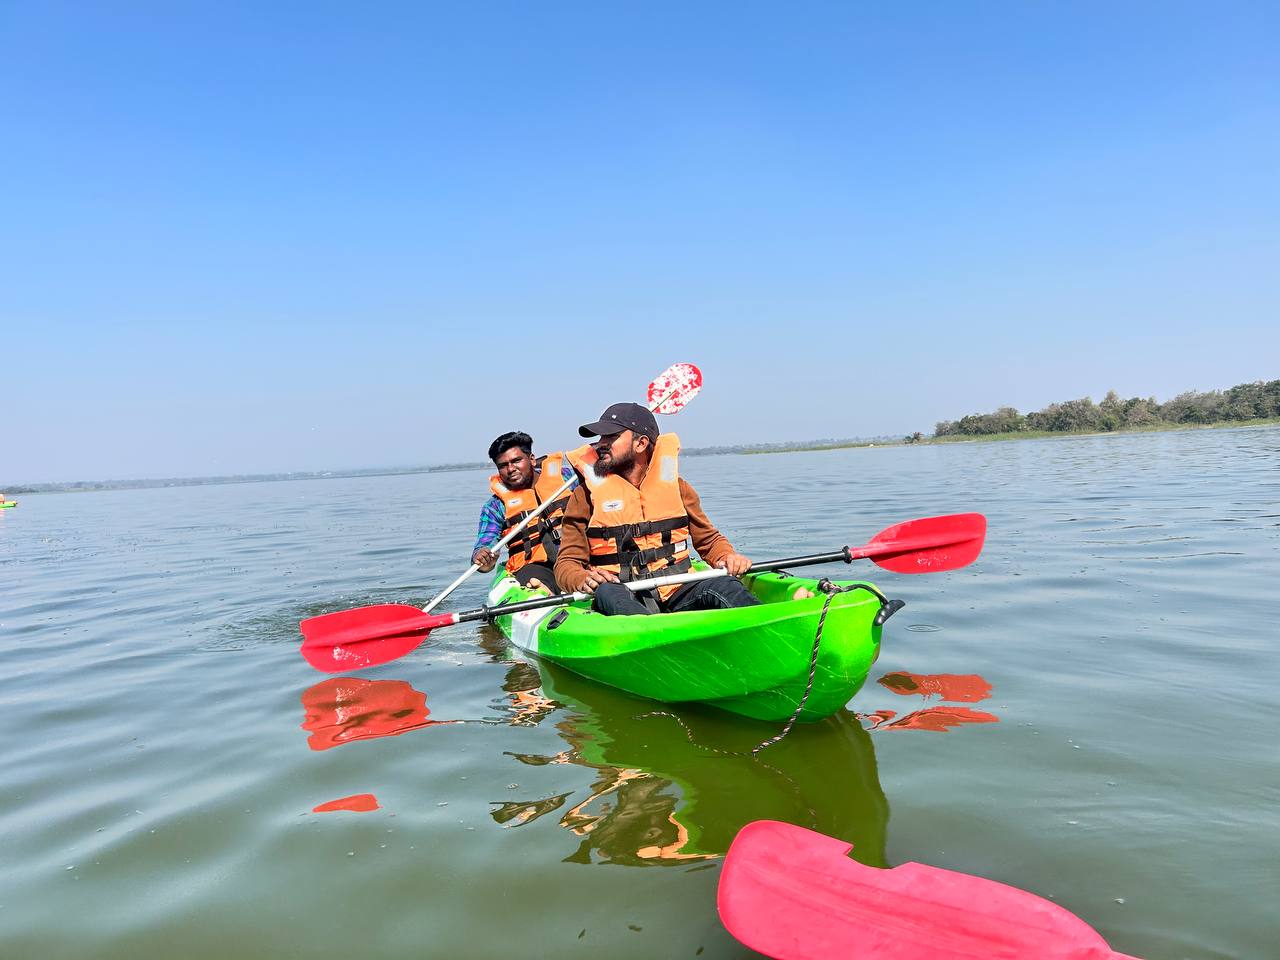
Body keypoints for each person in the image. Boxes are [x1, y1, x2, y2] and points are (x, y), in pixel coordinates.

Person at [554, 402, 763, 615]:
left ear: (641, 444)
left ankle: (767, 631)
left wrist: (727, 556)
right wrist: (581, 578)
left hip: (677, 589)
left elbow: (709, 541)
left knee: (725, 586)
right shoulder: (584, 496)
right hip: (621, 592)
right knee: (608, 593)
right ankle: (648, 639)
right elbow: (566, 564)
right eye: (599, 438)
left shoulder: (677, 487)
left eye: (611, 437)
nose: (600, 445)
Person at [472, 431, 577, 590]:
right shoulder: (495, 506)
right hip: (535, 569)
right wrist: (483, 557)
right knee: (533, 580)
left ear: (532, 459)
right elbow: (484, 550)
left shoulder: (569, 479)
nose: (511, 469)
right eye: (503, 465)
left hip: (578, 558)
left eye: (516, 461)